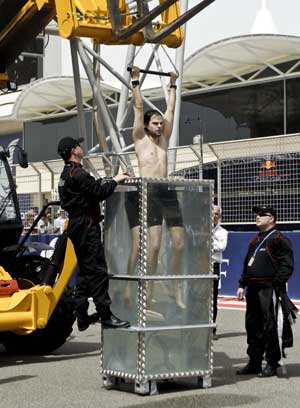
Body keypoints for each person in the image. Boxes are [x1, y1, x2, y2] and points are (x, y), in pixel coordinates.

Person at [125, 66, 185, 308]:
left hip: (165, 191)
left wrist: (172, 84)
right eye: (156, 123)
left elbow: (171, 109)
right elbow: (138, 108)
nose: (160, 126)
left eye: (161, 123)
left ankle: (172, 285)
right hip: (147, 192)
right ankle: (145, 290)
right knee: (154, 246)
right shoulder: (139, 138)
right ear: (147, 126)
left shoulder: (165, 140)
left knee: (179, 244)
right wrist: (136, 80)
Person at [57, 136, 130, 331]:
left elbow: (90, 188)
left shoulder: (65, 175)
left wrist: (106, 181)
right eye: (78, 145)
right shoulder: (78, 173)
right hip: (86, 225)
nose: (82, 147)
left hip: (77, 224)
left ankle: (80, 313)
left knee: (85, 270)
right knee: (97, 271)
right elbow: (98, 191)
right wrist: (115, 180)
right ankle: (106, 316)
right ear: (74, 150)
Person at [236, 205, 294, 377]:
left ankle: (272, 362)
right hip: (253, 289)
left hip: (269, 289)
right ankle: (254, 361)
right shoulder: (254, 240)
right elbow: (248, 264)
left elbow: (287, 265)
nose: (258, 217)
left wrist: (276, 284)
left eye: (262, 214)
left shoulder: (279, 239)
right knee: (252, 326)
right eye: (257, 214)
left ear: (272, 219)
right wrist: (242, 284)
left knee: (270, 326)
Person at [212, 205, 228, 339]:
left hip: (214, 266)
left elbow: (221, 247)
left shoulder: (223, 232)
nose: (214, 215)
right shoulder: (201, 228)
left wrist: (207, 242)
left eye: (217, 213)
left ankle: (211, 330)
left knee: (213, 298)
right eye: (212, 213)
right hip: (200, 265)